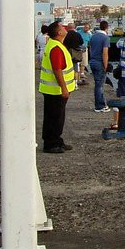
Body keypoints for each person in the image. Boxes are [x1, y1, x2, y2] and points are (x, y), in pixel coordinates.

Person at [39, 20, 76, 153]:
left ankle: (57, 140)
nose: (64, 28)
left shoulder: (55, 45)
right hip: (55, 90)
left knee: (56, 117)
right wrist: (64, 88)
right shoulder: (56, 47)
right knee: (54, 118)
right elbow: (57, 69)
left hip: (53, 89)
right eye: (62, 27)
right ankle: (51, 144)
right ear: (59, 32)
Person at [88, 20, 111, 113]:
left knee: (97, 84)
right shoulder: (105, 38)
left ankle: (100, 104)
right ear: (107, 28)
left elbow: (90, 48)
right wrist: (106, 66)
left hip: (92, 61)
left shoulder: (93, 36)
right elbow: (105, 53)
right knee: (99, 85)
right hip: (99, 63)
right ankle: (100, 106)